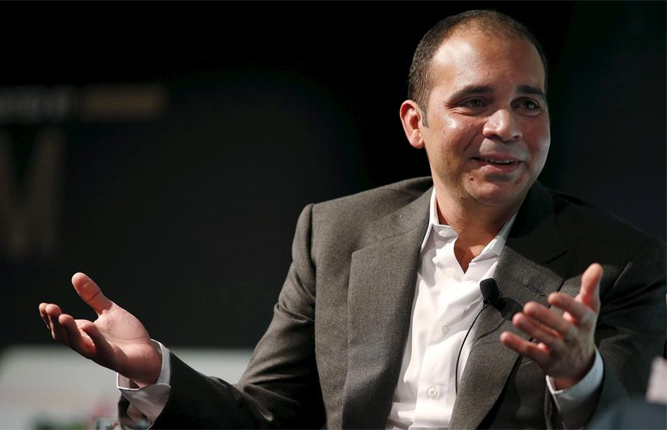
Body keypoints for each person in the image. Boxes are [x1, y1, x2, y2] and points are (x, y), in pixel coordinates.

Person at [39, 10, 665, 429]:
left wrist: (579, 374)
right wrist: (156, 372)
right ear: (416, 124)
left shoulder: (617, 262)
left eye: (529, 104)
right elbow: (266, 414)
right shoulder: (336, 234)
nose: (506, 126)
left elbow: (624, 421)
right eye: (475, 102)